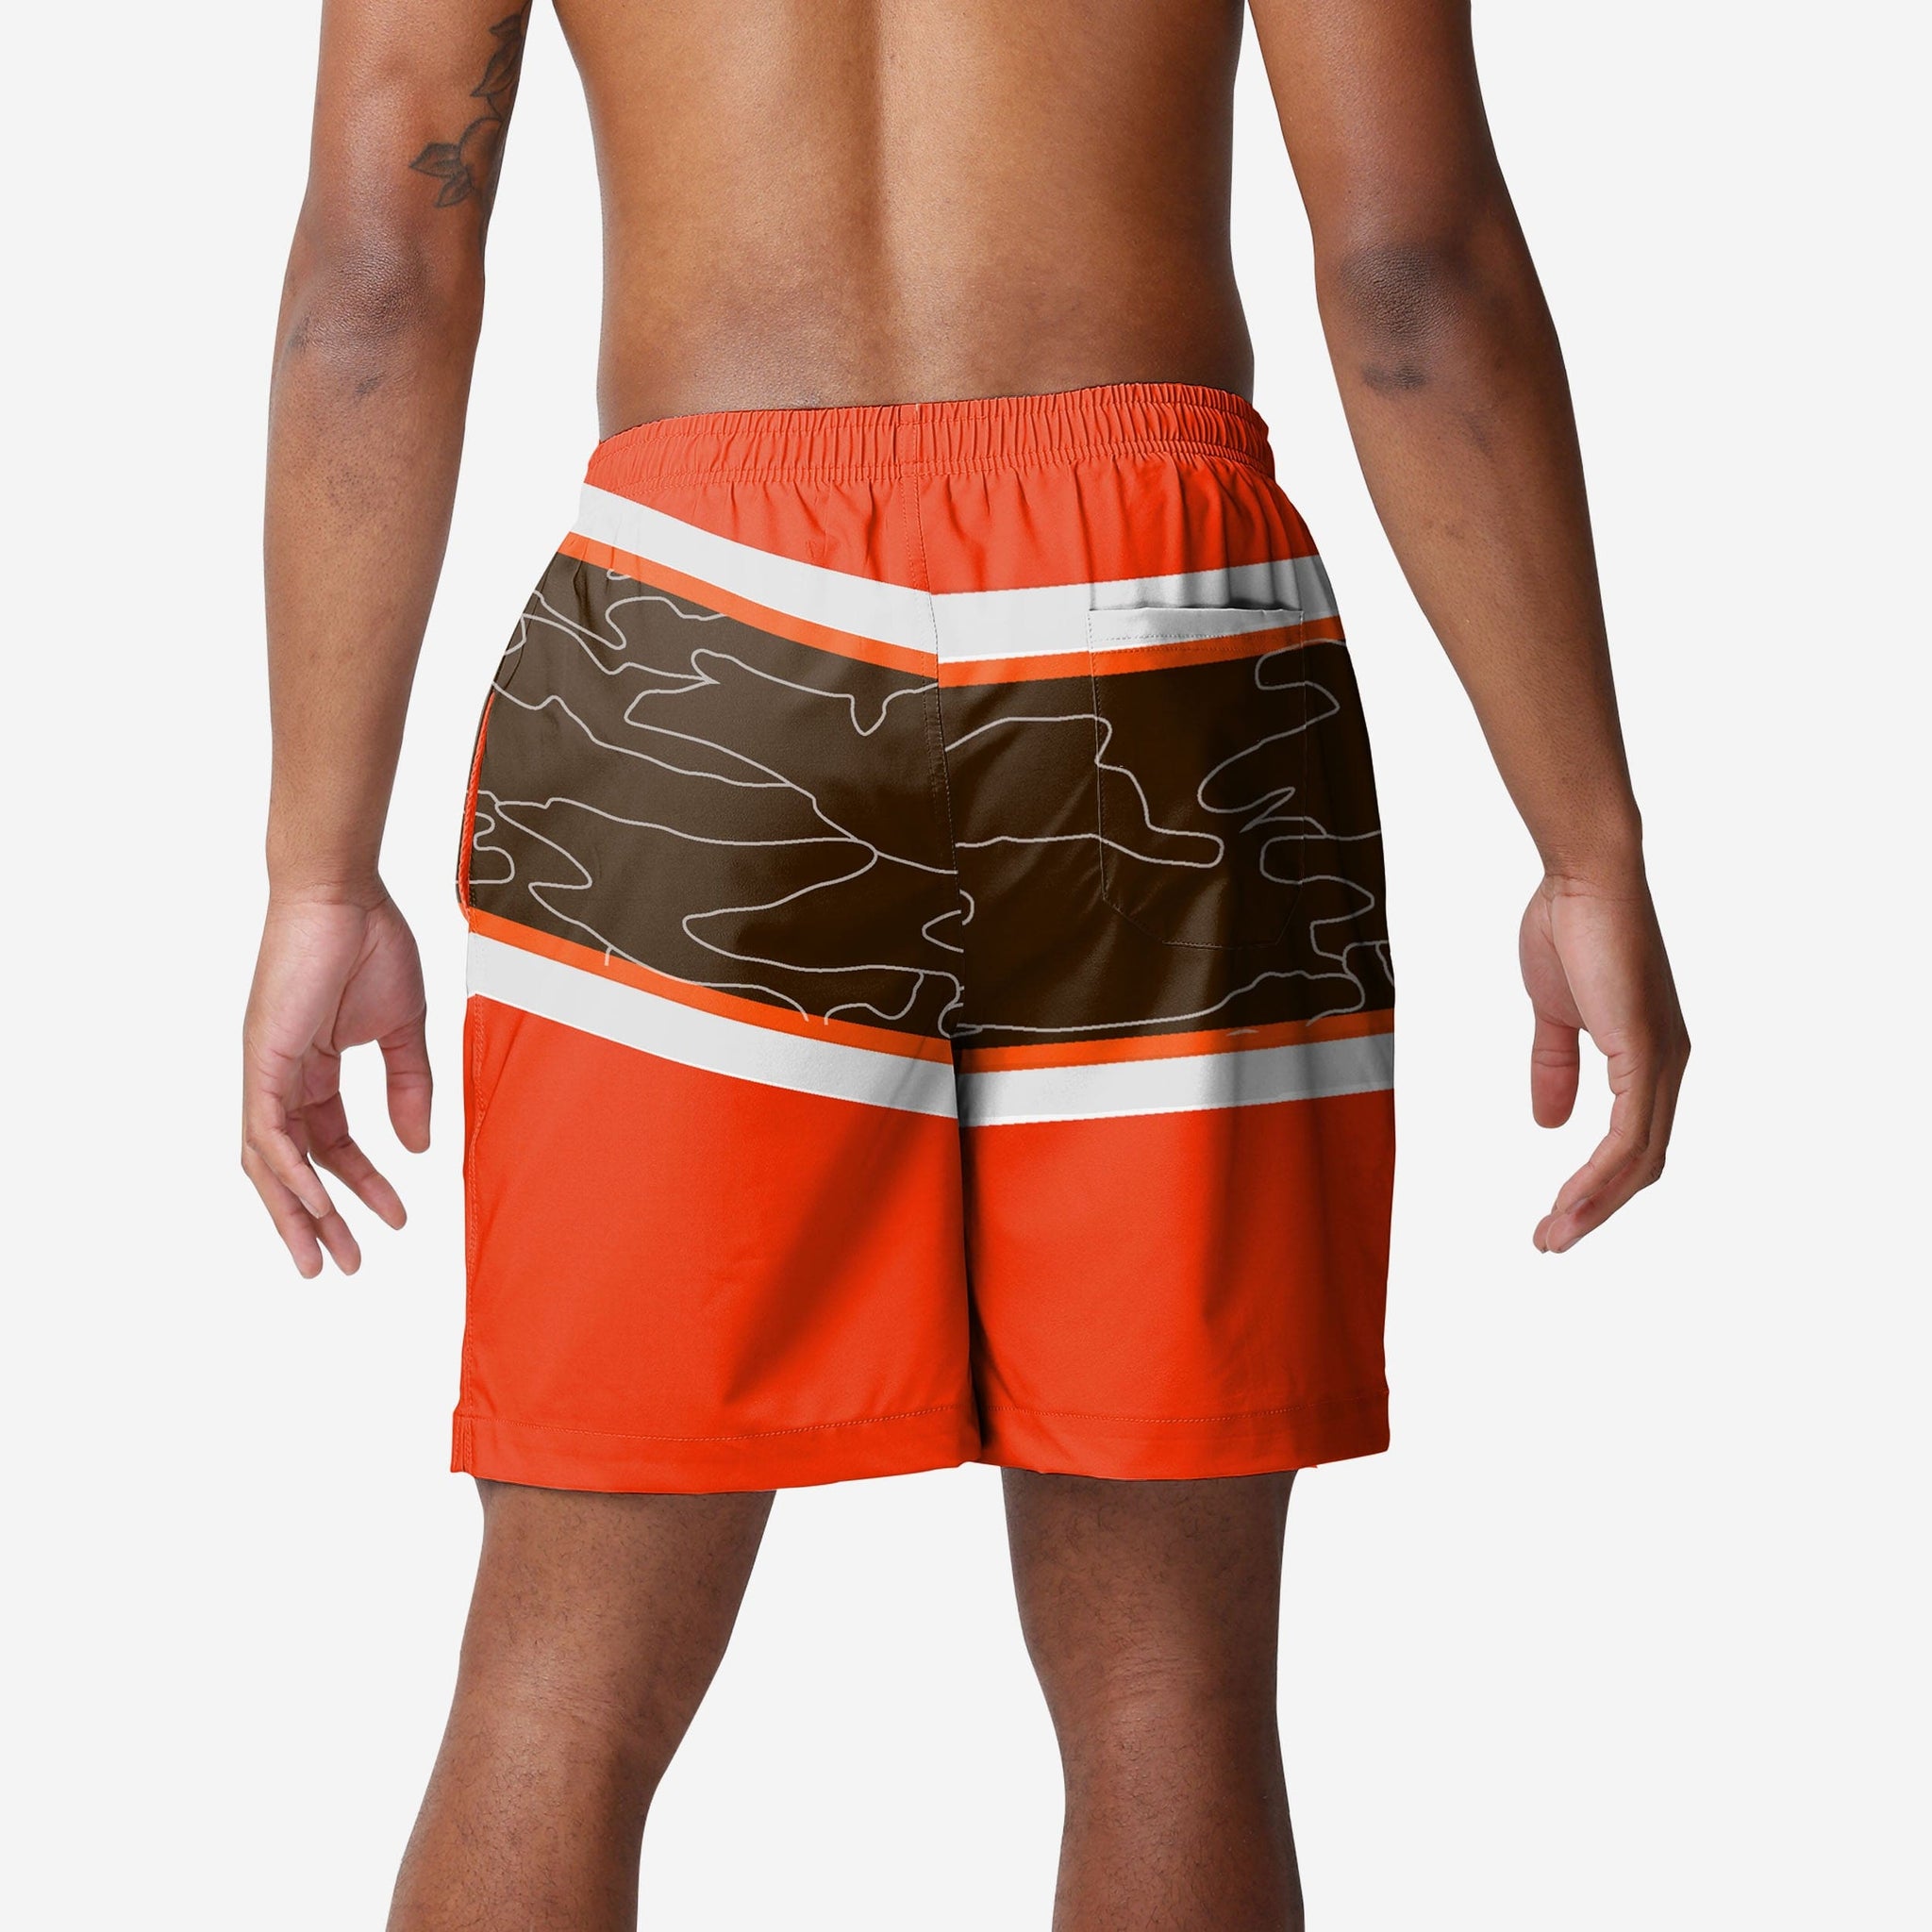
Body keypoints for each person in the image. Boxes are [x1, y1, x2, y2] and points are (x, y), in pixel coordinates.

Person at [241, 0, 1689, 1923]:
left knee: (560, 1678)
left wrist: (318, 872)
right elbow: (1411, 266)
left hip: (703, 649)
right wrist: (1586, 840)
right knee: (1170, 1699)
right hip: (1161, 643)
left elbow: (377, 274)